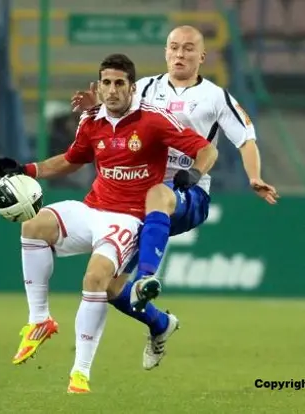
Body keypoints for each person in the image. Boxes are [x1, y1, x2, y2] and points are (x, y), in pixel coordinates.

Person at [0, 53, 218, 394]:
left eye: (119, 83)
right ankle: (39, 320)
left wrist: (195, 173)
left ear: (131, 87)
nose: (111, 91)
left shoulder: (153, 121)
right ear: (99, 85)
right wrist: (25, 169)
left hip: (128, 219)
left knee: (98, 280)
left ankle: (80, 373)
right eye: (106, 83)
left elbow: (206, 149)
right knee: (34, 225)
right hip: (92, 209)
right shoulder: (91, 122)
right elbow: (69, 161)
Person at [71, 26, 278, 370]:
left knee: (160, 194)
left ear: (202, 56)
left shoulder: (215, 97)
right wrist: (96, 107)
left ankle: (146, 278)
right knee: (106, 286)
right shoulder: (145, 88)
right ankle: (160, 324)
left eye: (188, 49)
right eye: (174, 48)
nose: (180, 54)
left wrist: (253, 176)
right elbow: (115, 111)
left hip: (188, 192)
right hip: (139, 198)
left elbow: (246, 139)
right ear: (166, 52)